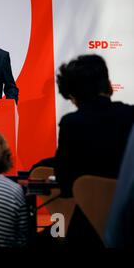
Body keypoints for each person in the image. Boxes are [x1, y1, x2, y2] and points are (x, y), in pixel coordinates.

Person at [52, 54, 134, 246]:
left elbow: (64, 184)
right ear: (108, 84)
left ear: (72, 96)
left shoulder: (71, 124)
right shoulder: (131, 117)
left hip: (85, 228)